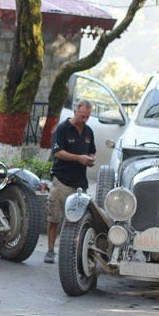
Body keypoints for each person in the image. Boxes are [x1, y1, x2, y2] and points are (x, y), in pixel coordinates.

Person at [44, 98, 96, 263]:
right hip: (62, 180)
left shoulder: (88, 132)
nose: (84, 120)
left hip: (80, 183)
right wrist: (78, 158)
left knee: (78, 220)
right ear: (75, 111)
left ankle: (73, 252)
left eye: (87, 117)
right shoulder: (62, 129)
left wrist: (90, 158)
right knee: (55, 217)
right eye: (82, 116)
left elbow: (92, 151)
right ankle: (50, 250)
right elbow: (57, 152)